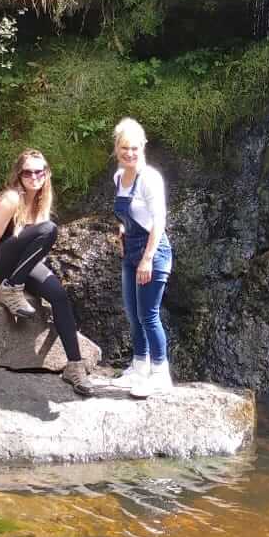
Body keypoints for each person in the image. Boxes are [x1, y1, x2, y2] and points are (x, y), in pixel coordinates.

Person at [0, 148, 94, 395]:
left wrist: (38, 272)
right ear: (18, 175)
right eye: (27, 172)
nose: (33, 177)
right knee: (49, 229)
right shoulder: (10, 199)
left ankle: (74, 365)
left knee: (59, 295)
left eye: (38, 171)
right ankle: (10, 289)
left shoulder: (41, 200)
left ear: (46, 173)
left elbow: (32, 247)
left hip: (16, 263)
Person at [112, 117, 173, 397]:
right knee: (132, 315)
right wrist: (122, 230)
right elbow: (130, 214)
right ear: (117, 148)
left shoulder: (150, 178)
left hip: (154, 251)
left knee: (149, 315)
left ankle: (160, 374)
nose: (130, 153)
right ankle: (138, 368)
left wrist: (147, 258)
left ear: (143, 147)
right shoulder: (118, 177)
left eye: (135, 148)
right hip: (130, 251)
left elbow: (158, 221)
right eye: (125, 148)